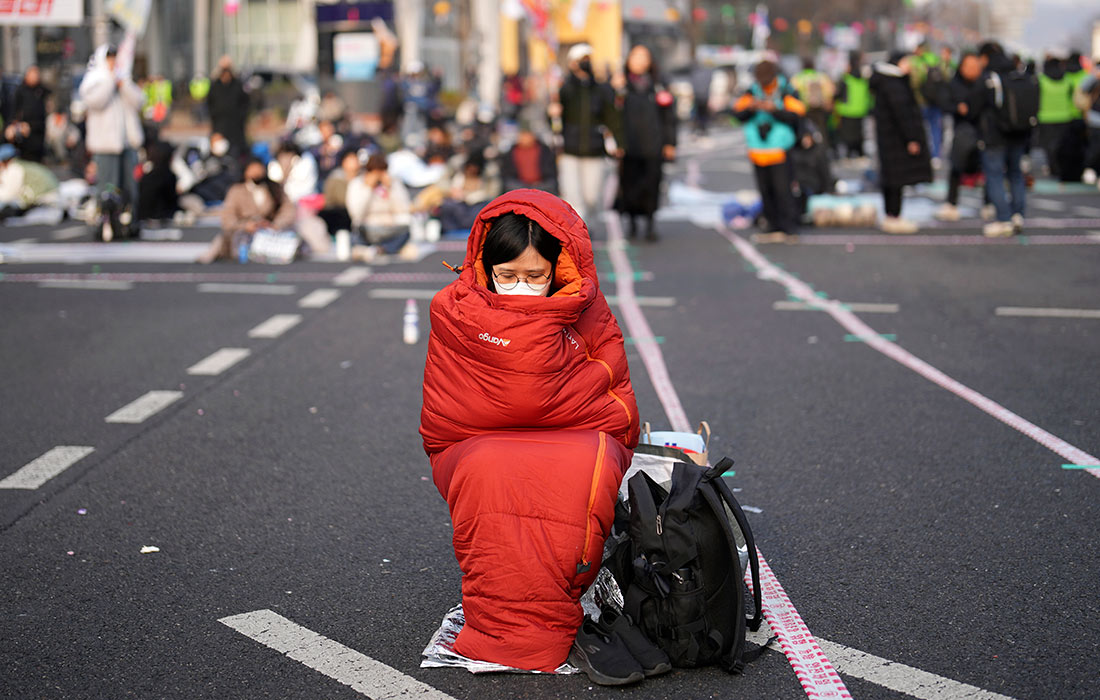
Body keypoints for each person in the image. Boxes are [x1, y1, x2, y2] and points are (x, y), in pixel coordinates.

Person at [420, 189, 640, 681]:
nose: (521, 286)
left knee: (584, 465)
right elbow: (445, 413)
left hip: (575, 433)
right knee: (486, 470)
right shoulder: (452, 310)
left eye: (536, 276)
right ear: (484, 267)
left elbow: (613, 395)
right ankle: (518, 628)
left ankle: (528, 623)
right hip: (473, 440)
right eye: (507, 275)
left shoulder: (588, 309)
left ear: (559, 269)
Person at [733, 60, 805, 242]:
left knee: (784, 190)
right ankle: (771, 224)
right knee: (765, 190)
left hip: (780, 149)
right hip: (758, 149)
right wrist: (752, 107)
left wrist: (774, 109)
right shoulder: (752, 91)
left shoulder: (786, 90)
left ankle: (788, 227)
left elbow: (797, 115)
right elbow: (737, 114)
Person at [613, 44, 676, 241]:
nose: (639, 61)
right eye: (636, 56)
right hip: (628, 146)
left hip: (653, 146)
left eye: (644, 57)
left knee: (652, 185)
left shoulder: (658, 86)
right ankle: (631, 222)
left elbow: (669, 117)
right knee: (629, 186)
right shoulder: (621, 86)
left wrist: (670, 142)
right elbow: (610, 114)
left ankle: (650, 224)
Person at [550, 43, 620, 221]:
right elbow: (554, 123)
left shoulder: (601, 89)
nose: (585, 63)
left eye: (587, 59)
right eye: (581, 60)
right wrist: (552, 114)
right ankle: (577, 231)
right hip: (569, 149)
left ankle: (588, 225)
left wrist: (618, 142)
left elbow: (612, 117)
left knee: (591, 196)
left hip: (594, 149)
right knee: (573, 196)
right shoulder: (564, 88)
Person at [976, 42, 1035, 237]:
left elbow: (977, 105)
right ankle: (1018, 215)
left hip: (995, 135)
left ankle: (1003, 219)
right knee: (1016, 174)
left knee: (995, 176)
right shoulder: (1019, 74)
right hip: (1019, 133)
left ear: (985, 57)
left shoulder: (990, 78)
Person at [869, 52, 932, 234]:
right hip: (896, 138)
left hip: (888, 137)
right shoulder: (894, 84)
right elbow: (903, 114)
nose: (910, 65)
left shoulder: (886, 81)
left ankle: (891, 215)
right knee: (896, 179)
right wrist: (911, 138)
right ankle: (894, 215)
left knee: (890, 178)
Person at [78, 45, 144, 213]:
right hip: (105, 145)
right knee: (108, 187)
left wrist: (123, 85)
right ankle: (106, 218)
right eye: (109, 58)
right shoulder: (94, 79)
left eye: (114, 58)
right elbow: (95, 101)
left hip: (128, 142)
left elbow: (139, 101)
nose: (113, 62)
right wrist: (109, 81)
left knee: (129, 186)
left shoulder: (123, 78)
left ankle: (128, 218)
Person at [198, 157, 295, 263]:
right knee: (223, 238)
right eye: (253, 170)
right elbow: (228, 217)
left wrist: (276, 225)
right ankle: (208, 257)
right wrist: (245, 226)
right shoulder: (237, 191)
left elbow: (288, 209)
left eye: (259, 170)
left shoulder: (275, 189)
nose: (256, 174)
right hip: (244, 232)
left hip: (269, 232)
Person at [937, 52, 986, 222]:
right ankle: (951, 203)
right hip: (961, 131)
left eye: (976, 67)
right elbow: (943, 103)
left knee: (985, 168)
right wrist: (957, 107)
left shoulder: (984, 83)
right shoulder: (953, 83)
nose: (973, 70)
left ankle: (989, 203)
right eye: (969, 66)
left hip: (983, 131)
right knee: (956, 166)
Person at [345, 154, 412, 257]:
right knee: (356, 234)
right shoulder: (357, 184)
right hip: (367, 229)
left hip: (390, 228)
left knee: (406, 231)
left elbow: (404, 209)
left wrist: (390, 188)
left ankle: (380, 250)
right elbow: (356, 213)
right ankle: (384, 249)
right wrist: (367, 188)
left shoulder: (393, 183)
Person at [1037, 52, 1074, 179]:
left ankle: (1053, 167)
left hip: (1045, 117)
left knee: (1048, 146)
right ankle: (1060, 167)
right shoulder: (1067, 80)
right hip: (1065, 117)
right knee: (1061, 145)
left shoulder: (1041, 80)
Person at [911, 43, 948, 165]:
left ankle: (922, 154)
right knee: (935, 128)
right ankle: (936, 155)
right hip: (936, 101)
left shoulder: (917, 62)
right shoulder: (936, 60)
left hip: (921, 101)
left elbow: (915, 82)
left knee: (921, 129)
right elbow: (946, 78)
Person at [207, 56, 250, 157]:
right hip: (219, 127)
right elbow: (209, 104)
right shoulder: (215, 86)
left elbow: (245, 103)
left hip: (236, 129)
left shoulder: (238, 85)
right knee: (218, 152)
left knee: (237, 154)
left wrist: (241, 117)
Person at [790, 56, 835, 150]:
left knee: (806, 132)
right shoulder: (821, 77)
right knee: (821, 131)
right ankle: (822, 149)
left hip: (803, 111)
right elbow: (830, 92)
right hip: (819, 110)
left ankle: (807, 150)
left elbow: (791, 94)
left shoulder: (797, 78)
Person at [834, 51, 871, 160]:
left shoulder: (846, 79)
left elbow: (838, 94)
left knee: (848, 135)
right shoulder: (864, 79)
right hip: (861, 110)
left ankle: (849, 154)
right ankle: (860, 153)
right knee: (859, 133)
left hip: (847, 110)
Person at [9, 65, 49, 162]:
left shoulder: (41, 90)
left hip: (39, 129)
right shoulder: (20, 91)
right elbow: (14, 111)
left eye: (36, 74)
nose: (35, 77)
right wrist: (16, 126)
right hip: (24, 130)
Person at [500, 126, 557, 193]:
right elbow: (507, 172)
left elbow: (551, 169)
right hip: (519, 185)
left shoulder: (544, 150)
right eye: (523, 136)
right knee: (511, 185)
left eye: (527, 136)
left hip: (541, 184)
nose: (525, 139)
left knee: (550, 184)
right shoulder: (511, 152)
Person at [318, 149, 361, 234]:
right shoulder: (336, 177)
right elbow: (343, 199)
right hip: (338, 215)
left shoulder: (361, 177)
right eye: (351, 159)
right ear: (344, 162)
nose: (354, 162)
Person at [1077, 60, 1100, 188]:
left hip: (1094, 118)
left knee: (1094, 147)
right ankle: (1090, 170)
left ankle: (1091, 171)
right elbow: (1083, 89)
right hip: (1095, 118)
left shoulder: (1092, 78)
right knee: (1094, 147)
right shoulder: (1093, 79)